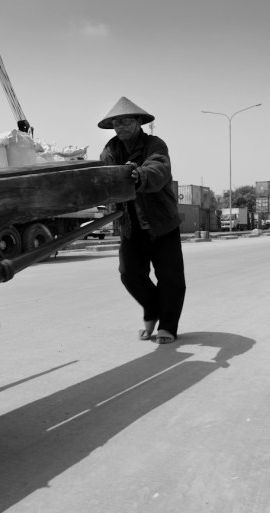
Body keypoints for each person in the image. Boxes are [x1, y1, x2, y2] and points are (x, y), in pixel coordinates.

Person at [98, 97, 185, 344]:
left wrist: (138, 175)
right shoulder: (110, 151)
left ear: (138, 122)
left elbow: (158, 171)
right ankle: (153, 309)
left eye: (125, 121)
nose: (120, 127)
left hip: (162, 224)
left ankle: (167, 326)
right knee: (129, 274)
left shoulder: (155, 145)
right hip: (130, 225)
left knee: (171, 279)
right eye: (116, 123)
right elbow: (103, 176)